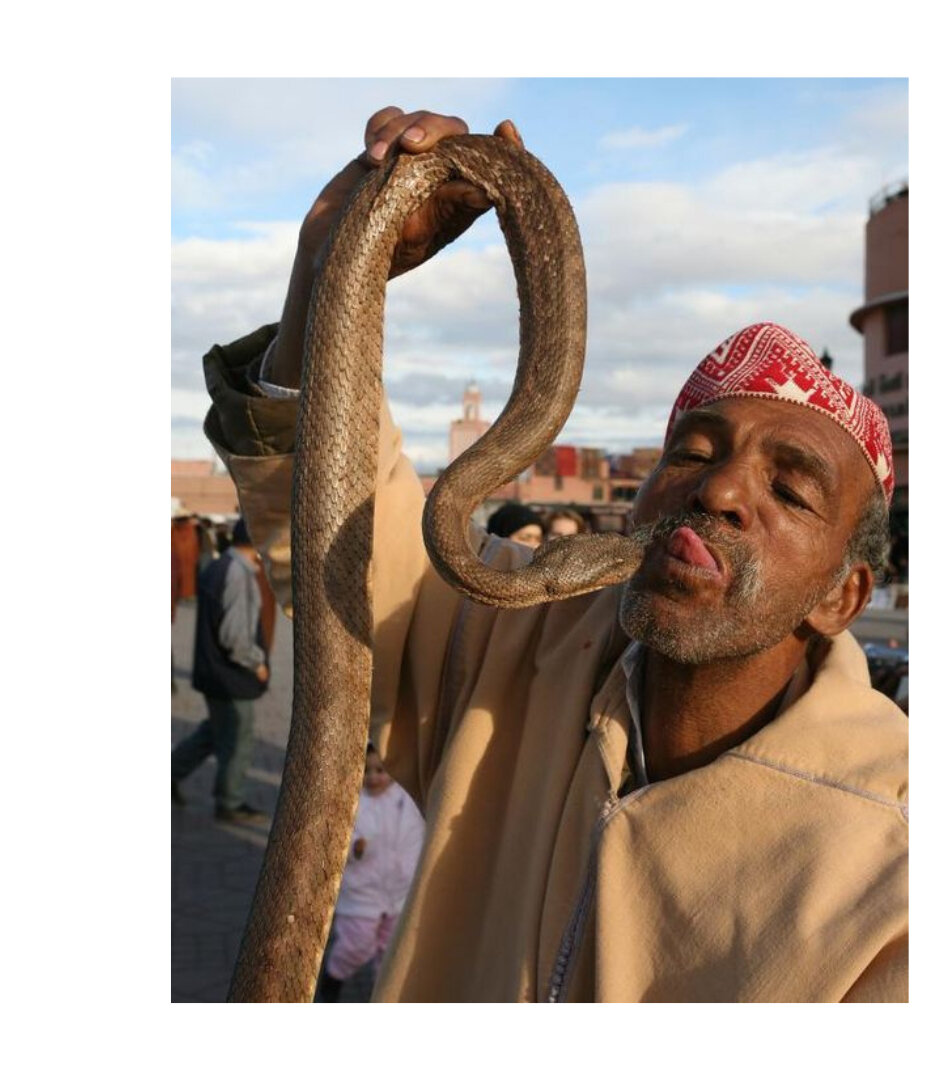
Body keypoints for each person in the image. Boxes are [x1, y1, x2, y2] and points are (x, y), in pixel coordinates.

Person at [200, 107, 907, 1000]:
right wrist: (335, 266)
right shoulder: (519, 651)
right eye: (692, 452)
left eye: (791, 490)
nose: (720, 490)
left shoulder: (894, 875)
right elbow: (342, 544)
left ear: (844, 597)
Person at [171, 516, 271, 824]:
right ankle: (231, 802)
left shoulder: (221, 566)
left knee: (214, 732)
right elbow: (234, 636)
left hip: (214, 672)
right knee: (238, 737)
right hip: (230, 675)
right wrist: (257, 663)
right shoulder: (238, 575)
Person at [316, 744, 425, 1002]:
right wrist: (354, 848)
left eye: (380, 770)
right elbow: (332, 844)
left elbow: (422, 830)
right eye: (366, 770)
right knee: (357, 945)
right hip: (362, 894)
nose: (373, 777)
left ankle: (384, 993)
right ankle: (334, 976)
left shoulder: (406, 797)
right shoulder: (350, 802)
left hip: (400, 893)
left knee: (392, 951)